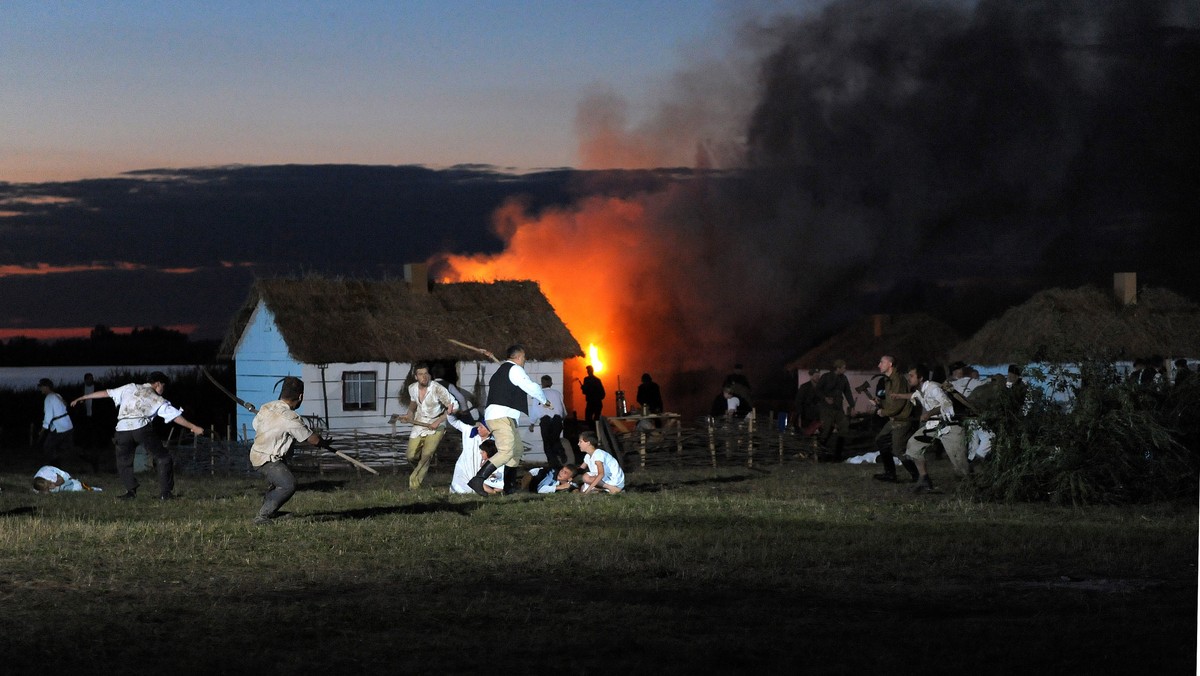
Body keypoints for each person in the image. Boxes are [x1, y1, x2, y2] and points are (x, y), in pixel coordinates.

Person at [71, 371, 204, 500]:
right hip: (141, 428)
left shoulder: (130, 387)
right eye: (163, 386)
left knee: (124, 462)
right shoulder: (157, 398)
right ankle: (166, 493)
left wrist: (83, 397)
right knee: (163, 457)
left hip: (122, 429)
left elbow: (106, 393)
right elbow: (175, 416)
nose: (163, 389)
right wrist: (194, 427)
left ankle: (130, 492)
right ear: (158, 383)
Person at [469, 344, 552, 496]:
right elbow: (531, 386)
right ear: (519, 357)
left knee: (516, 451)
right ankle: (478, 479)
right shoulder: (515, 369)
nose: (525, 360)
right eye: (524, 358)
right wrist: (544, 400)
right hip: (501, 416)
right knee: (507, 451)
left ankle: (509, 488)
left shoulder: (502, 371)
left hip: (504, 416)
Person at [247, 376, 323, 525]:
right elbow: (313, 440)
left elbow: (256, 425)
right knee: (288, 485)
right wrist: (323, 442)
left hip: (258, 454)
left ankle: (270, 512)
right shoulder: (290, 418)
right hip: (267, 459)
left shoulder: (266, 407)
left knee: (278, 484)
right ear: (300, 396)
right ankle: (262, 516)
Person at [897, 365, 968, 493]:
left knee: (960, 466)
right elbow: (915, 395)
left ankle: (971, 487)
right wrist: (897, 396)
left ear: (921, 378)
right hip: (934, 426)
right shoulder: (921, 390)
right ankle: (924, 480)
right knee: (913, 447)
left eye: (912, 376)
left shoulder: (933, 388)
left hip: (950, 426)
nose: (908, 378)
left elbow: (946, 403)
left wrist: (929, 414)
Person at [399, 362, 458, 490]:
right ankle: (422, 467)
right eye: (420, 374)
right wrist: (409, 415)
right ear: (416, 377)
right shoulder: (412, 388)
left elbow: (454, 406)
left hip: (437, 424)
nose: (424, 377)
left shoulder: (437, 388)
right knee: (410, 455)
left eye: (426, 374)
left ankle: (414, 484)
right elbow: (413, 403)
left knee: (427, 454)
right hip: (420, 423)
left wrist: (439, 420)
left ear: (429, 375)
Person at [869, 356, 918, 483]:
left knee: (898, 450)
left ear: (890, 364)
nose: (879, 365)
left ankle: (918, 475)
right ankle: (890, 473)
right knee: (881, 440)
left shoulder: (898, 380)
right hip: (894, 419)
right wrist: (880, 402)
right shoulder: (889, 380)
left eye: (882, 362)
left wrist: (883, 412)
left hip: (901, 420)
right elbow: (892, 401)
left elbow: (899, 403)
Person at [449, 415, 504, 495]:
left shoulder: (493, 442)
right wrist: (450, 414)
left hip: (480, 470)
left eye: (481, 427)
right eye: (479, 426)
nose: (478, 428)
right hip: (464, 468)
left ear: (489, 431)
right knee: (459, 490)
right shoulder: (469, 431)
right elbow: (454, 422)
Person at [816, 359, 854, 458]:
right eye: (843, 368)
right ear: (838, 368)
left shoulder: (843, 378)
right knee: (826, 429)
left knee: (844, 426)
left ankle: (838, 454)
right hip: (827, 408)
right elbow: (818, 390)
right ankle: (819, 452)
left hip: (838, 407)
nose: (845, 370)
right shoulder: (826, 377)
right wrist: (825, 398)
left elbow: (847, 392)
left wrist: (852, 405)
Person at [531, 375, 567, 467]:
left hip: (545, 421)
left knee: (547, 443)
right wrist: (563, 416)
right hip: (556, 419)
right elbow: (562, 407)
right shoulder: (557, 393)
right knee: (555, 439)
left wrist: (532, 423)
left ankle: (553, 463)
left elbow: (535, 410)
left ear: (542, 383)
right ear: (551, 383)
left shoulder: (538, 394)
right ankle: (560, 453)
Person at [38, 378, 74, 463]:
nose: (40, 389)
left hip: (60, 427)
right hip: (68, 425)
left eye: (41, 387)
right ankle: (89, 457)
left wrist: (42, 430)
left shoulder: (49, 398)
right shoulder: (57, 395)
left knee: (48, 447)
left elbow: (48, 417)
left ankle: (54, 467)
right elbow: (65, 405)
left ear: (46, 387)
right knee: (67, 448)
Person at [32, 465, 102, 493]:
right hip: (52, 481)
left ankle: (87, 487)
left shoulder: (48, 473)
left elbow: (61, 479)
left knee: (76, 488)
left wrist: (55, 484)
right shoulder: (37, 481)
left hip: (64, 478)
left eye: (47, 487)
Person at [793, 369, 822, 433]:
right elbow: (798, 401)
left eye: (818, 376)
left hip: (818, 416)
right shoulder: (804, 387)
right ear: (811, 376)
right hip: (807, 416)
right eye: (816, 376)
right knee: (807, 435)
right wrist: (800, 414)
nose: (817, 377)